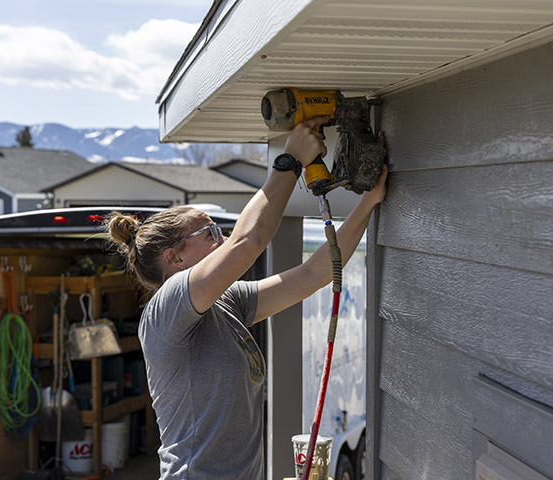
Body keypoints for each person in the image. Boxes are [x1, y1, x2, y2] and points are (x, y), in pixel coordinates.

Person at [105, 116, 388, 480]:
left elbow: (312, 275)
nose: (221, 240)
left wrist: (368, 202)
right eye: (210, 233)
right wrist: (290, 160)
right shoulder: (168, 304)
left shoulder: (226, 303)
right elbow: (247, 242)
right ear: (174, 258)